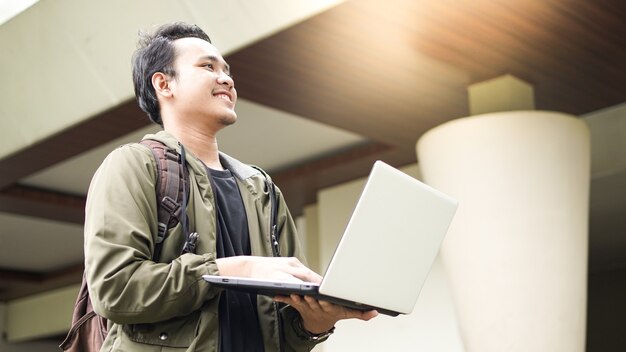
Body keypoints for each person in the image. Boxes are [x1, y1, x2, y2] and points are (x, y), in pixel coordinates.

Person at [84, 22, 377, 352]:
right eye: (208, 66)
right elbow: (114, 289)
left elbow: (286, 335)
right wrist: (235, 269)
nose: (226, 78)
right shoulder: (134, 165)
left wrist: (316, 322)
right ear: (164, 84)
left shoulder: (263, 189)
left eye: (227, 70)